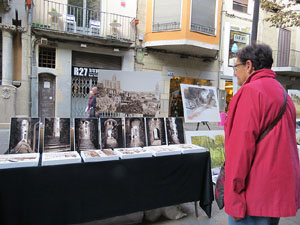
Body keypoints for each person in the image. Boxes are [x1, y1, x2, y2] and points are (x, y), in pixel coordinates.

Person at [224, 44, 300, 224]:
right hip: (275, 193)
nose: (235, 73)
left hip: (253, 196)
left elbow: (240, 151)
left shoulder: (250, 92)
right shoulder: (283, 93)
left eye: (236, 67)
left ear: (248, 66)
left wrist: (234, 199)